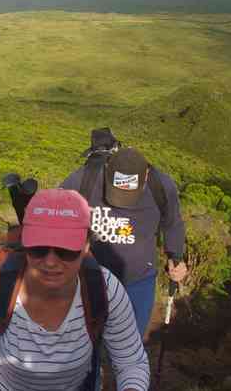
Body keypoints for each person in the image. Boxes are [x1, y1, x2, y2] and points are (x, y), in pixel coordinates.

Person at [0, 188, 149, 391]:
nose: (50, 262)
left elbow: (130, 360)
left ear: (85, 247)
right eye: (39, 249)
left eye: (65, 251)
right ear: (25, 245)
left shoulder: (104, 288)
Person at [60, 129, 187, 339]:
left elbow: (173, 223)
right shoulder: (87, 178)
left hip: (139, 282)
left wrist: (176, 258)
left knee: (131, 345)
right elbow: (57, 212)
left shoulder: (162, 186)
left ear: (145, 176)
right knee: (87, 345)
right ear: (108, 167)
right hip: (91, 279)